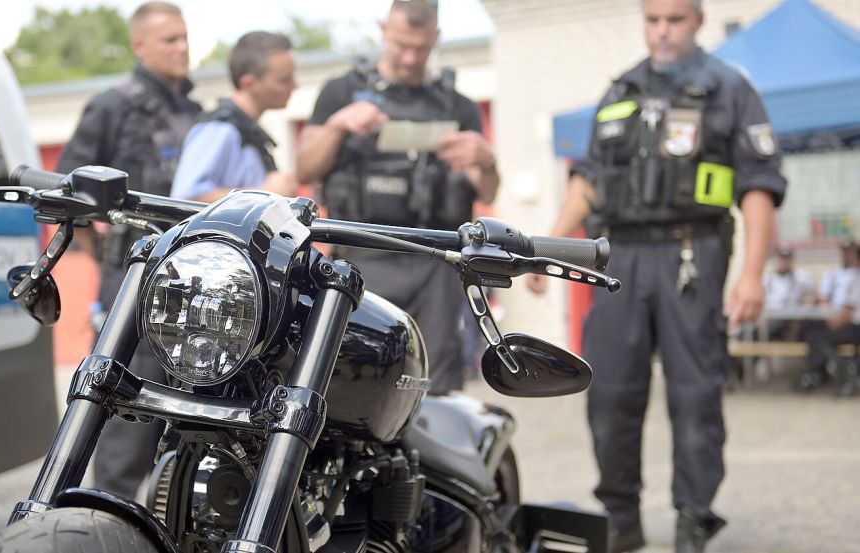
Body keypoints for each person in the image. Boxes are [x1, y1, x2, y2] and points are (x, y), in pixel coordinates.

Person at [526, 1, 786, 551]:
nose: (662, 31)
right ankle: (621, 517)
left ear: (697, 20)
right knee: (611, 392)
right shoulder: (621, 91)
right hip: (618, 259)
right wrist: (547, 251)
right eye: (653, 20)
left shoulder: (728, 89)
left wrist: (752, 276)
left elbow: (759, 185)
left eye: (674, 19)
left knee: (695, 395)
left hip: (691, 253)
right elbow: (589, 181)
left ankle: (694, 517)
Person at [296, 0, 499, 395]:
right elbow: (305, 168)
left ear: (435, 38)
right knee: (353, 382)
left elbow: (487, 190)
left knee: (435, 385)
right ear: (383, 29)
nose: (409, 58)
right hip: (362, 258)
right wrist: (338, 126)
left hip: (435, 263)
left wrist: (486, 161)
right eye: (401, 45)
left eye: (420, 48)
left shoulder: (457, 106)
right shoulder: (341, 92)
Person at [55, 1, 201, 500]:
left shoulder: (196, 114)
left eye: (185, 37)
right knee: (129, 415)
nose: (183, 48)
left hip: (198, 281)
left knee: (191, 421)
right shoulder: (113, 104)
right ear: (139, 45)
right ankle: (105, 526)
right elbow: (69, 187)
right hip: (135, 277)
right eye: (170, 40)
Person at [171, 31, 299, 202]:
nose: (295, 86)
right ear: (249, 84)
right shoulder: (219, 129)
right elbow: (185, 197)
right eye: (284, 80)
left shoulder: (242, 128)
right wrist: (264, 192)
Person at [797, 240, 860, 392]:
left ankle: (831, 375)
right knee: (807, 329)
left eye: (849, 253)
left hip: (854, 327)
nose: (845, 256)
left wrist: (830, 324)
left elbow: (847, 313)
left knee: (817, 337)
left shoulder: (857, 278)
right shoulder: (839, 274)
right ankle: (818, 373)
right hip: (842, 322)